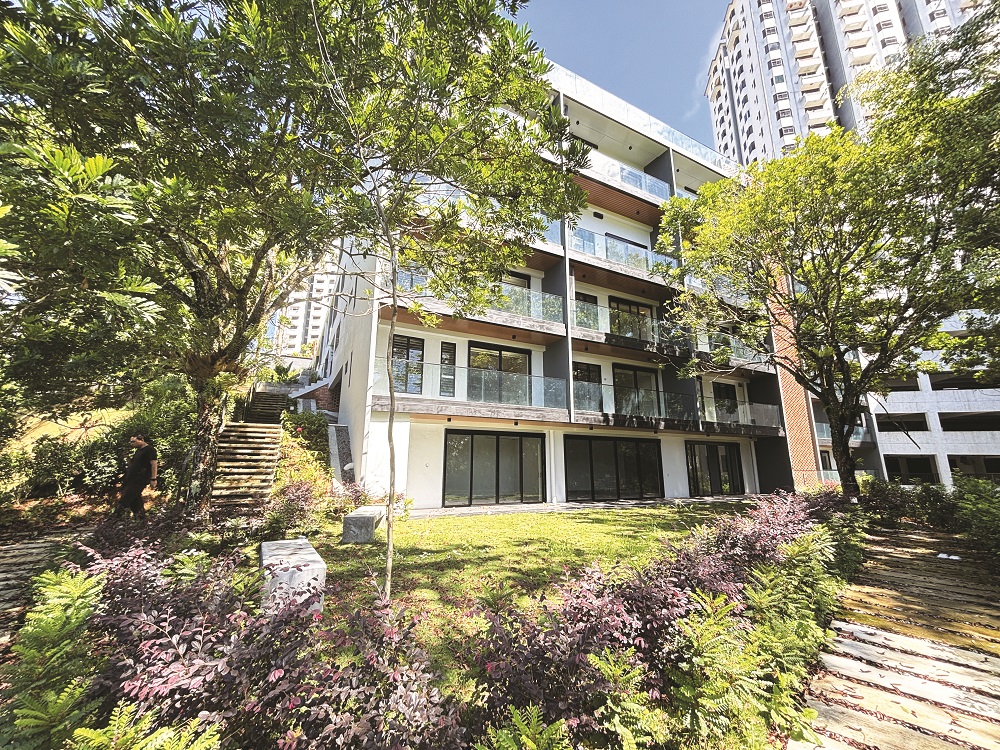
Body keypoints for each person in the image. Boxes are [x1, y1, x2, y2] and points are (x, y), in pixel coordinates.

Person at [115, 432, 158, 521]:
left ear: (141, 440)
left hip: (140, 479)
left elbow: (154, 464)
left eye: (133, 441)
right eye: (131, 442)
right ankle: (141, 519)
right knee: (135, 501)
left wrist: (153, 479)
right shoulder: (138, 450)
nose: (132, 444)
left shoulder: (150, 450)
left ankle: (113, 520)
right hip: (131, 479)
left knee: (124, 499)